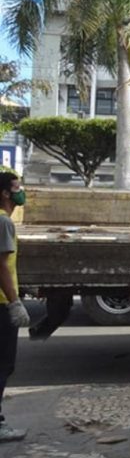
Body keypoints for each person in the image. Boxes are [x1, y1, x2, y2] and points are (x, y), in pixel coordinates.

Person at [0, 172, 28, 441]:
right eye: (17, 188)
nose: (22, 193)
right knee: (3, 364)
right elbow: (1, 268)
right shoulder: (3, 222)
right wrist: (15, 303)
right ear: (6, 194)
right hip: (1, 304)